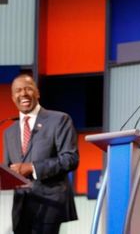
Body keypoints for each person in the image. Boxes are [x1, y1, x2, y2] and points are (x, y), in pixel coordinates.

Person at [3, 74, 79, 234]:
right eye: (18, 91)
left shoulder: (59, 119)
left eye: (28, 89)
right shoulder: (9, 132)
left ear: (37, 93)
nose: (23, 93)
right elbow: (9, 168)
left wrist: (32, 168)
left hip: (50, 202)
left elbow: (70, 159)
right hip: (21, 207)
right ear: (12, 97)